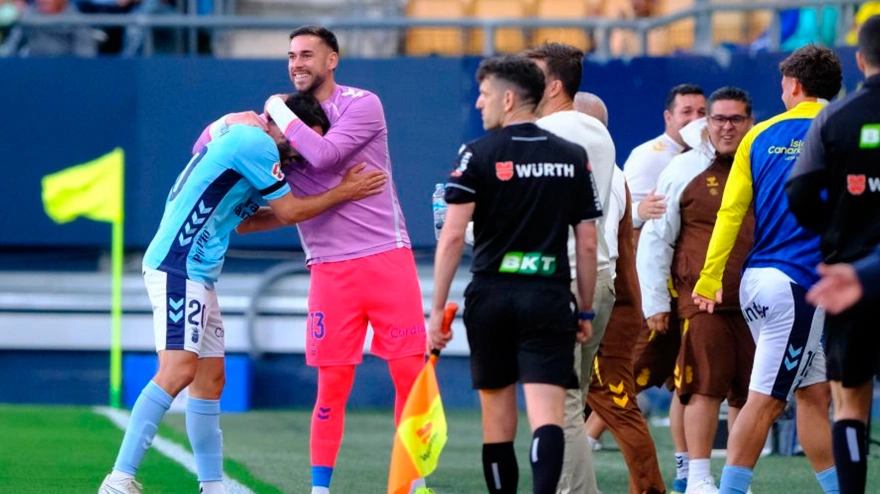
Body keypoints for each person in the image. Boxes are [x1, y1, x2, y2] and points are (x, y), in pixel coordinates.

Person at [98, 94, 386, 494]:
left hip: (197, 271)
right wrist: (343, 192)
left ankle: (212, 485)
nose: (304, 154)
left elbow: (247, 224)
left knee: (210, 380)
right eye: (302, 141)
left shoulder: (250, 144)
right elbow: (288, 212)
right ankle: (118, 479)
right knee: (178, 370)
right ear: (285, 126)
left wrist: (317, 202)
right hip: (179, 265)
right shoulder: (257, 144)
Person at [194, 26, 431, 494]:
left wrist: (274, 107)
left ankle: (411, 484)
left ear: (332, 60)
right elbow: (206, 157)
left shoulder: (362, 104)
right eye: (290, 56)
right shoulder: (275, 128)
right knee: (331, 388)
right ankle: (319, 489)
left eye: (307, 55)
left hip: (386, 259)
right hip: (328, 269)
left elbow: (323, 156)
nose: (297, 63)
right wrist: (229, 126)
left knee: (410, 376)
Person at [428, 55, 602, 494]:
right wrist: (582, 310)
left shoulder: (476, 153)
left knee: (497, 423)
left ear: (508, 98)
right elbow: (586, 243)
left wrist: (435, 310)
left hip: (491, 298)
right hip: (547, 298)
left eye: (485, 95)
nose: (480, 104)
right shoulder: (571, 156)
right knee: (548, 418)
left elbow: (451, 238)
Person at [692, 45, 843, 494]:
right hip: (798, 287)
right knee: (765, 402)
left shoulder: (758, 136)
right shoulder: (843, 127)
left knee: (812, 397)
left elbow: (730, 213)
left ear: (795, 86)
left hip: (759, 281)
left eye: (782, 88)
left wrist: (709, 277)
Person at [639, 87, 757, 494]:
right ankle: (699, 477)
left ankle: (735, 479)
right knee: (700, 386)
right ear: (707, 124)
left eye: (735, 119)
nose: (726, 127)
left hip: (755, 300)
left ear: (751, 123)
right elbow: (657, 238)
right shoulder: (682, 169)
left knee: (749, 393)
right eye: (718, 118)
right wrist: (655, 300)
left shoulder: (763, 165)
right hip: (701, 299)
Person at [595, 83, 706, 494]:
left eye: (701, 112)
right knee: (626, 378)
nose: (695, 120)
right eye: (686, 112)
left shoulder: (709, 159)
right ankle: (587, 443)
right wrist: (641, 213)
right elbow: (625, 225)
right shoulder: (646, 158)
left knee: (687, 381)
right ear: (668, 117)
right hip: (647, 290)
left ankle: (683, 471)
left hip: (691, 287)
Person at [786, 16, 880, 494]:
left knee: (849, 403)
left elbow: (800, 191)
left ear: (860, 59)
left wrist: (836, 232)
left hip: (850, 279)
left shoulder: (835, 117)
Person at [522, 42, 617, 494]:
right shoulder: (598, 132)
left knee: (557, 407)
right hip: (597, 278)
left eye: (531, 75)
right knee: (569, 404)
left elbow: (530, 212)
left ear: (554, 85)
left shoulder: (544, 133)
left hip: (557, 279)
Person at [576, 92, 667, 494]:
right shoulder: (612, 176)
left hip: (600, 303)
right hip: (614, 300)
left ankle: (649, 487)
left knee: (613, 401)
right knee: (579, 402)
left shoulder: (598, 178)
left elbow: (600, 249)